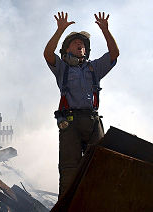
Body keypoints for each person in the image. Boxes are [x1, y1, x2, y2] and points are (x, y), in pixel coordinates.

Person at [43, 12, 119, 197]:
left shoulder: (94, 68)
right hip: (70, 123)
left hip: (93, 122)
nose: (80, 45)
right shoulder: (62, 68)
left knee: (100, 165)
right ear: (67, 49)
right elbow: (47, 54)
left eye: (83, 44)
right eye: (76, 43)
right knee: (69, 170)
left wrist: (106, 31)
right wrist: (60, 30)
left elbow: (114, 54)